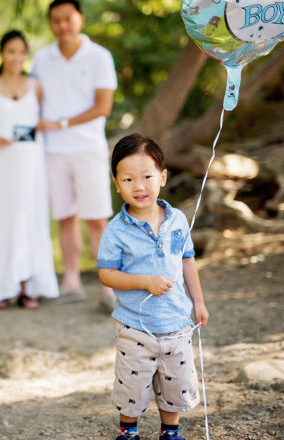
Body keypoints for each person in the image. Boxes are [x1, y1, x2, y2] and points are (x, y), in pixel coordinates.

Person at [97, 134, 209, 440]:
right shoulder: (116, 230)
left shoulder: (178, 220)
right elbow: (106, 274)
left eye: (147, 176)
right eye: (128, 179)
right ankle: (128, 431)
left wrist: (197, 302)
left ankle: (169, 432)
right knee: (132, 385)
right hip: (135, 325)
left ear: (162, 176)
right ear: (116, 184)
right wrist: (144, 282)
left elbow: (187, 261)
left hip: (176, 320)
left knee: (175, 381)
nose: (139, 186)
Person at [32, 0, 117, 308]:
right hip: (52, 151)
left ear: (80, 19)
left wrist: (61, 122)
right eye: (55, 20)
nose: (62, 26)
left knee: (97, 219)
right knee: (65, 217)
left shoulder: (99, 56)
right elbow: (32, 100)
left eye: (67, 19)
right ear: (50, 24)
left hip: (88, 147)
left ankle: (108, 287)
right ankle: (70, 281)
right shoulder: (42, 58)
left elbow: (103, 106)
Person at [0, 30, 60, 309]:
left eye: (21, 51)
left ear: (26, 55)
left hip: (32, 162)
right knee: (4, 222)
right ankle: (2, 288)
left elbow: (47, 119)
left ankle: (29, 287)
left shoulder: (36, 85)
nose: (15, 57)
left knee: (31, 218)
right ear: (1, 54)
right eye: (10, 51)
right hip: (3, 164)